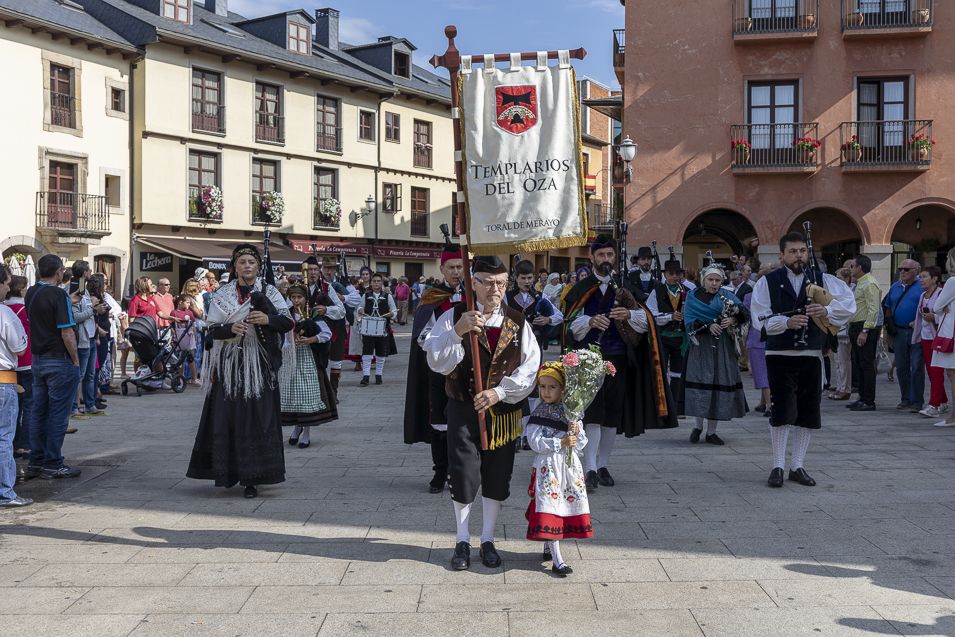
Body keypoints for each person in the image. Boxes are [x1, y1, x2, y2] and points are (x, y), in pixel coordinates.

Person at [423, 255, 540, 571]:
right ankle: (462, 538)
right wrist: (457, 332)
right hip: (463, 407)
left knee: (497, 474)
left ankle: (487, 538)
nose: (495, 289)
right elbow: (436, 360)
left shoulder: (517, 320)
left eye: (501, 283)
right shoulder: (453, 316)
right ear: (473, 283)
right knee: (462, 472)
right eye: (487, 283)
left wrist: (499, 392)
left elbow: (531, 367)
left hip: (502, 412)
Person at [563, 235, 677, 493]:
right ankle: (589, 468)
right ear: (592, 257)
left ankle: (603, 465)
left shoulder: (626, 286)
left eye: (610, 256)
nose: (606, 260)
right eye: (601, 255)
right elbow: (568, 323)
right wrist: (590, 322)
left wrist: (628, 314)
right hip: (588, 359)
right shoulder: (581, 288)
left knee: (612, 414)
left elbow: (647, 318)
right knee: (592, 413)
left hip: (619, 357)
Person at [186, 244, 293, 498]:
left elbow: (287, 321)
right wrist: (230, 329)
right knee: (230, 418)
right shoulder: (223, 294)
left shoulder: (270, 292)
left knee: (256, 419)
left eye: (251, 262)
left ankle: (253, 479)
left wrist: (267, 320)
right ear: (235, 266)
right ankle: (228, 472)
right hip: (231, 364)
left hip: (260, 364)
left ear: (258, 266)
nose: (247, 266)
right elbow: (211, 330)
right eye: (242, 262)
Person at [751, 232, 855, 488]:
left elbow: (849, 306)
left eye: (802, 251)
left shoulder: (823, 279)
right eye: (793, 251)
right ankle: (777, 465)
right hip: (779, 355)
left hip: (810, 355)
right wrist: (786, 322)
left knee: (807, 411)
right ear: (782, 255)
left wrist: (826, 310)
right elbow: (759, 318)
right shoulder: (768, 282)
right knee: (782, 410)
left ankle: (797, 465)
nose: (799, 255)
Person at [404, 241, 464, 494]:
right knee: (439, 420)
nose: (457, 272)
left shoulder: (474, 294)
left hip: (466, 369)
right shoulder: (432, 297)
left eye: (461, 267)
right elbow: (421, 335)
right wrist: (443, 342)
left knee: (462, 422)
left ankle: (460, 471)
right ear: (442, 269)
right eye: (451, 267)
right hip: (439, 369)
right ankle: (440, 471)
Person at [524, 361, 591, 576]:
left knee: (563, 505)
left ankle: (548, 546)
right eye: (542, 387)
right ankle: (557, 558)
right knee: (550, 507)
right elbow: (534, 442)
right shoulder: (539, 412)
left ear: (563, 389)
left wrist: (576, 430)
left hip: (568, 469)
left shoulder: (571, 412)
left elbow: (581, 443)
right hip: (548, 468)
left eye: (552, 387)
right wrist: (559, 443)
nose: (546, 391)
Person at [25, 255, 82, 480]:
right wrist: (75, 360)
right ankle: (53, 462)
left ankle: (36, 460)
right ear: (59, 272)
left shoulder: (31, 292)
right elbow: (66, 331)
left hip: (38, 358)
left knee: (39, 411)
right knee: (58, 413)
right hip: (59, 359)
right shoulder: (58, 294)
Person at [680, 263, 749, 444]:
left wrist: (732, 319)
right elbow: (688, 321)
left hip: (722, 347)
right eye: (710, 279)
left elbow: (744, 314)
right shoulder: (693, 297)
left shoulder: (727, 296)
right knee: (701, 384)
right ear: (704, 280)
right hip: (701, 346)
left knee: (719, 384)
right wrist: (708, 326)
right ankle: (697, 426)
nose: (714, 283)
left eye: (717, 280)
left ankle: (711, 432)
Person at [282, 282, 337, 448]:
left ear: (305, 299)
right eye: (293, 297)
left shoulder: (312, 314)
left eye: (299, 297)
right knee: (294, 396)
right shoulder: (287, 314)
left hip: (309, 359)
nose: (296, 300)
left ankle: (306, 432)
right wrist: (288, 343)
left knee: (308, 395)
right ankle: (297, 427)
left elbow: (327, 334)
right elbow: (282, 336)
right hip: (291, 358)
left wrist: (310, 339)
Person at [0, 265, 31, 507]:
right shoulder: (5, 314)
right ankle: (5, 492)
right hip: (3, 380)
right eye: (6, 283)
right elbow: (19, 348)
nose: (8, 287)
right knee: (3, 438)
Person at [882, 259, 924, 412]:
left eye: (906, 269)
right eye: (900, 269)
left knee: (917, 366)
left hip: (916, 331)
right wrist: (889, 330)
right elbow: (887, 307)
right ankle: (905, 398)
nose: (902, 272)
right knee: (901, 367)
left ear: (916, 271)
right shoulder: (895, 286)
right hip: (898, 331)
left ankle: (917, 400)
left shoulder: (922, 286)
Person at [645, 257, 688, 401]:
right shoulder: (656, 291)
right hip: (662, 338)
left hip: (681, 339)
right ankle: (661, 403)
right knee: (660, 371)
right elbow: (651, 315)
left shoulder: (688, 292)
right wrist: (671, 316)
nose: (674, 276)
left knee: (678, 373)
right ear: (665, 275)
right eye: (671, 273)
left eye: (677, 273)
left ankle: (676, 405)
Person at [847, 255, 882, 411]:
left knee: (866, 364)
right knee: (859, 363)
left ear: (860, 268)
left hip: (864, 327)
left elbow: (873, 309)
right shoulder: (860, 283)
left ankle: (869, 400)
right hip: (856, 326)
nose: (850, 269)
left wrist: (865, 330)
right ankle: (862, 396)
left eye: (852, 266)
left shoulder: (870, 283)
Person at [506, 260, 564, 352]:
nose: (527, 281)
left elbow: (559, 316)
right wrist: (520, 322)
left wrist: (547, 319)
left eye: (529, 278)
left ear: (533, 278)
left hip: (535, 343)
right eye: (523, 278)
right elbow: (499, 317)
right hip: (513, 342)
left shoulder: (540, 296)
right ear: (516, 278)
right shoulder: (507, 297)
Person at [4, 276, 32, 459]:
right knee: (29, 403)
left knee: (15, 407)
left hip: (10, 368)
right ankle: (25, 443)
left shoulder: (6, 307)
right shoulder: (22, 309)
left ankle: (14, 442)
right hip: (25, 360)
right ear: (22, 290)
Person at [914, 266, 947, 418]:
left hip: (938, 338)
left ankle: (934, 405)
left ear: (934, 279)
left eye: (924, 277)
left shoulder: (941, 294)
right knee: (931, 371)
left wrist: (934, 317)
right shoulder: (922, 295)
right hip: (925, 337)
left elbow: (947, 315)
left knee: (936, 372)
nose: (921, 280)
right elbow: (919, 315)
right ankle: (943, 401)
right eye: (920, 277)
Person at [927, 249, 955, 427]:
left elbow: (936, 306)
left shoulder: (952, 281)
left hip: (951, 333)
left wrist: (945, 305)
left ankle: (953, 417)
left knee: (952, 375)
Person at [318, 256, 350, 400]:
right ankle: (323, 392)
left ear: (335, 270)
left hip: (338, 326)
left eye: (330, 268)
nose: (328, 271)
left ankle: (333, 392)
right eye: (325, 268)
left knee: (336, 360)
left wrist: (344, 298)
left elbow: (353, 301)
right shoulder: (316, 285)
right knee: (320, 361)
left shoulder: (343, 284)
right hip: (319, 328)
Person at [357, 272, 396, 386]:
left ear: (382, 283)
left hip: (383, 329)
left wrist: (391, 314)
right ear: (371, 283)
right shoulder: (366, 295)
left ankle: (379, 375)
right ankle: (366, 376)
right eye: (374, 281)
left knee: (381, 353)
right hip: (368, 328)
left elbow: (394, 310)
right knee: (367, 352)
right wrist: (360, 310)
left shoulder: (387, 296)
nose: (376, 283)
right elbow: (360, 306)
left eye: (378, 281)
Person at [828, 267, 854, 401]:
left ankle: (845, 388)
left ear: (846, 279)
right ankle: (840, 386)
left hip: (844, 330)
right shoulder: (837, 293)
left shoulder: (849, 292)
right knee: (837, 361)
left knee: (844, 362)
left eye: (839, 278)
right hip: (836, 330)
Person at [744, 289, 771, 418]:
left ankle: (770, 405)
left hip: (756, 337)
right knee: (767, 371)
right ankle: (763, 401)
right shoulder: (777, 293)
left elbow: (745, 316)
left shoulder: (749, 297)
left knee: (761, 373)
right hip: (774, 336)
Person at [346, 266, 373, 368]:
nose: (365, 276)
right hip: (357, 315)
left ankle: (367, 361)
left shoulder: (373, 286)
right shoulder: (357, 288)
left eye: (366, 274)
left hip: (369, 314)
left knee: (368, 339)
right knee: (357, 339)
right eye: (363, 274)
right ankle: (357, 362)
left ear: (370, 275)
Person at [170, 295, 199, 385]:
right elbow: (172, 326)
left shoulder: (189, 313)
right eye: (187, 302)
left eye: (190, 303)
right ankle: (180, 378)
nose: (189, 304)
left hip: (188, 337)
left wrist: (195, 336)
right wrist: (173, 336)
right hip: (179, 338)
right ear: (180, 302)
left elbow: (193, 325)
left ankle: (194, 378)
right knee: (180, 359)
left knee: (191, 357)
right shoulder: (174, 313)